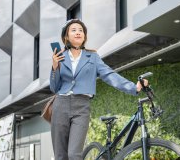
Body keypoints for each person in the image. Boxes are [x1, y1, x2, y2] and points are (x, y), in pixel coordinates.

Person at [49, 19, 148, 160]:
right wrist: (54, 67)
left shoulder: (92, 57)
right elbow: (54, 87)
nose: (78, 32)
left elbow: (110, 75)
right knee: (60, 155)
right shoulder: (59, 57)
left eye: (81, 30)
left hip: (81, 107)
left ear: (84, 36)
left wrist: (134, 87)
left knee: (74, 154)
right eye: (74, 30)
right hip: (61, 104)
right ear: (66, 37)